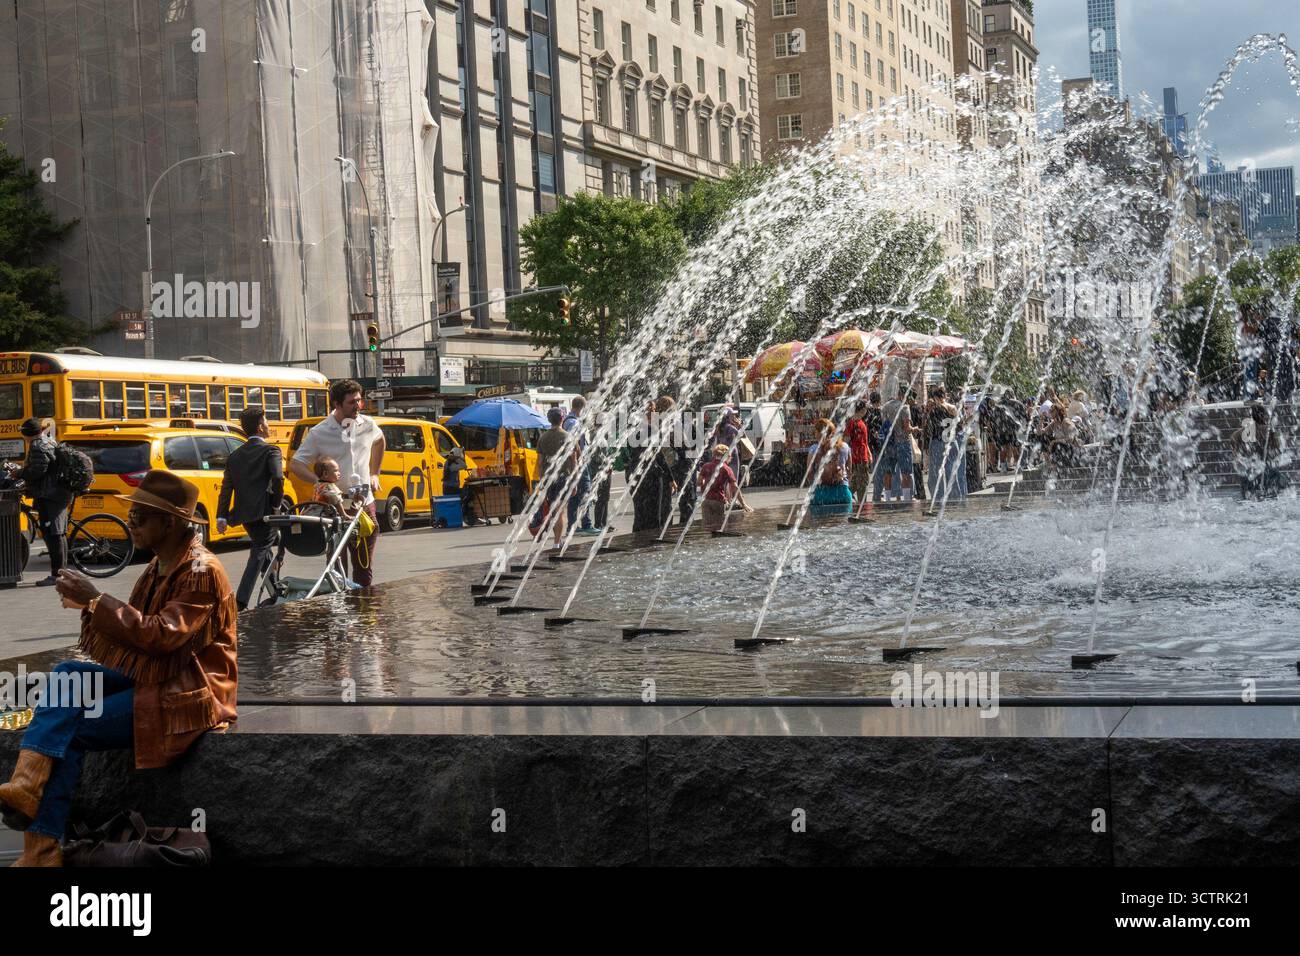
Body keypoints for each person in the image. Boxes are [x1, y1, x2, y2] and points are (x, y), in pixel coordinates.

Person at [0, 470, 237, 867]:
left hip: (189, 690)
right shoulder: (159, 564)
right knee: (67, 674)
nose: (131, 524)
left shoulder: (201, 571)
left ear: (172, 522)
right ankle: (25, 786)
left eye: (140, 517)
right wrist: (91, 605)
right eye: (132, 516)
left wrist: (96, 602)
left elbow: (160, 637)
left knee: (69, 731)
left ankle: (40, 850)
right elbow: (138, 636)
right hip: (156, 672)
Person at [290, 380, 385, 587]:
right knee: (336, 565)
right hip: (334, 508)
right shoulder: (319, 432)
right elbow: (296, 464)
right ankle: (341, 611)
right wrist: (320, 483)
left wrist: (375, 473)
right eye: (352, 402)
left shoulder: (368, 424)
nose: (358, 406)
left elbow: (379, 441)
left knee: (364, 564)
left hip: (363, 505)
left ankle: (365, 610)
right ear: (337, 404)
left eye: (359, 401)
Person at [216, 406, 284, 611]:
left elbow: (226, 487)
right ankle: (240, 602)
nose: (268, 425)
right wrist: (277, 504)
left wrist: (221, 516)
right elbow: (278, 478)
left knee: (262, 551)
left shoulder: (235, 455)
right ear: (261, 425)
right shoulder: (271, 450)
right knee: (259, 551)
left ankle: (276, 592)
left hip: (244, 514)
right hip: (266, 512)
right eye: (266, 421)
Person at [4, 418, 71, 586]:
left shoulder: (37, 445)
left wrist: (19, 473)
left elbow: (38, 470)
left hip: (49, 495)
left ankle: (58, 576)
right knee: (58, 533)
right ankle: (62, 573)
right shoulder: (49, 441)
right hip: (58, 493)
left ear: (26, 434)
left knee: (52, 535)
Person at [628, 396, 679, 533]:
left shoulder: (632, 429)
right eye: (654, 410)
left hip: (634, 474)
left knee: (640, 514)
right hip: (651, 476)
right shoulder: (652, 430)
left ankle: (636, 541)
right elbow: (659, 456)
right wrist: (671, 478)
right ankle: (650, 545)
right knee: (654, 515)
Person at [533, 407, 575, 547]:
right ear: (562, 418)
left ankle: (558, 539)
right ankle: (557, 543)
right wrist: (574, 480)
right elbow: (573, 459)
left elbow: (539, 463)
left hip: (549, 477)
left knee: (553, 509)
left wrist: (541, 480)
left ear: (549, 420)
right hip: (563, 477)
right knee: (560, 510)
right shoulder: (567, 436)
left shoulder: (543, 437)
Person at [562, 396, 598, 535]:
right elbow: (573, 446)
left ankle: (574, 527)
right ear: (581, 408)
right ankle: (586, 524)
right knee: (585, 492)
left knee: (576, 495)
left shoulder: (571, 421)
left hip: (578, 462)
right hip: (579, 463)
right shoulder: (572, 423)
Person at [696, 443, 752, 529]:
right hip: (719, 501)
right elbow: (735, 487)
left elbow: (699, 482)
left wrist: (706, 483)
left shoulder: (706, 466)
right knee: (718, 527)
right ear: (726, 456)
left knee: (707, 527)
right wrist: (743, 504)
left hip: (706, 501)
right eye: (730, 456)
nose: (730, 459)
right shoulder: (726, 469)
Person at [924, 386, 963, 503]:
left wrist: (926, 445)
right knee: (952, 472)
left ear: (936, 397)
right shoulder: (953, 408)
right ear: (944, 396)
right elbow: (960, 426)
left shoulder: (935, 409)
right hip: (952, 442)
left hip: (938, 443)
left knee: (936, 474)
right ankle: (955, 498)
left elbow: (929, 428)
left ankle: (938, 498)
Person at [880, 386, 916, 502]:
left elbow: (883, 424)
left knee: (888, 472)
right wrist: (915, 429)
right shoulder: (904, 407)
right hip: (902, 443)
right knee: (906, 472)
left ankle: (888, 499)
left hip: (889, 443)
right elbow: (906, 428)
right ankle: (906, 499)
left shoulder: (886, 406)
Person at [809, 422, 854, 515]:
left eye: (816, 431)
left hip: (820, 494)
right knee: (843, 526)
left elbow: (809, 472)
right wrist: (846, 483)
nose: (814, 434)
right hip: (842, 493)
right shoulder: (845, 447)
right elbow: (849, 470)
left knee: (821, 527)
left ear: (821, 432)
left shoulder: (814, 449)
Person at [844, 402, 872, 502]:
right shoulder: (852, 423)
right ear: (861, 409)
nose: (866, 411)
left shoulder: (860, 421)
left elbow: (864, 441)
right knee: (862, 483)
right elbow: (846, 440)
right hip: (857, 457)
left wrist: (868, 453)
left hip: (862, 456)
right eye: (865, 408)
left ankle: (845, 497)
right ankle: (862, 505)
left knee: (857, 483)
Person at [866, 390, 887, 502]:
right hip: (880, 445)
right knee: (880, 470)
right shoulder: (881, 412)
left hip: (872, 445)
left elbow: (869, 430)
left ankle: (877, 493)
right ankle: (878, 495)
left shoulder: (868, 413)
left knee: (876, 470)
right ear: (879, 400)